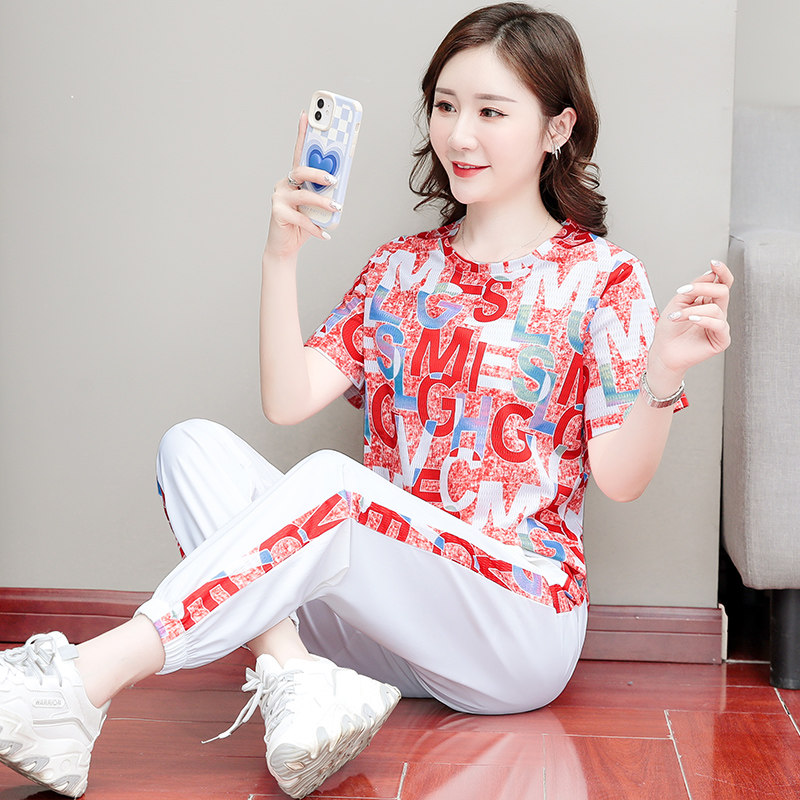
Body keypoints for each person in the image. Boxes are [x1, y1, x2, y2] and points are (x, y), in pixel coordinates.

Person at [0, 3, 732, 799]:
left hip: (513, 625)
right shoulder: (399, 269)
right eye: (445, 106)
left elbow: (621, 479)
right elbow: (287, 399)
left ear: (557, 127)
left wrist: (663, 372)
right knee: (191, 447)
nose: (459, 135)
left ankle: (84, 681)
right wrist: (280, 257)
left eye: (491, 112)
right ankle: (298, 677)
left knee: (332, 483)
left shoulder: (604, 277)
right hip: (380, 627)